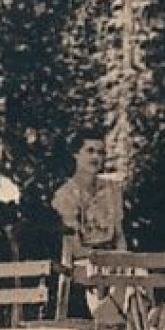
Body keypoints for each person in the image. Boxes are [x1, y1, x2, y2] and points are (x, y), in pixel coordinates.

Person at [51, 131, 126, 317]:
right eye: (90, 151)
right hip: (83, 262)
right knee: (125, 284)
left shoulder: (112, 190)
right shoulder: (66, 194)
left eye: (100, 152)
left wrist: (123, 258)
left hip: (114, 258)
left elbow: (119, 234)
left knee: (139, 276)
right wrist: (110, 260)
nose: (96, 157)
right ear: (76, 154)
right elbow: (74, 248)